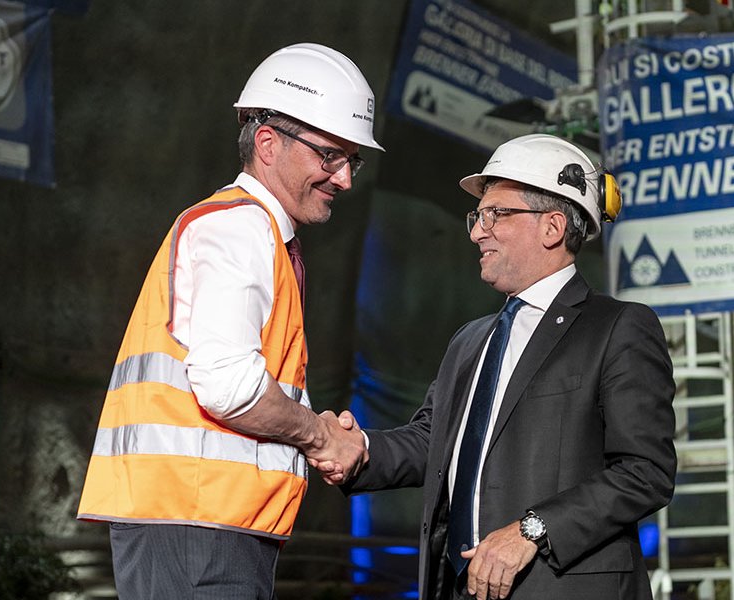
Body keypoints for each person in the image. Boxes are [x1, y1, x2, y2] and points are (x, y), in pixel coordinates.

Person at [76, 42, 377, 599]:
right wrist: (319, 436)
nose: (345, 179)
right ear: (268, 143)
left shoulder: (256, 233)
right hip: (197, 523)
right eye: (331, 156)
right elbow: (230, 386)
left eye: (351, 161)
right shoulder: (240, 228)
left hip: (202, 520)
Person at [337, 134, 677, 600]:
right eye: (478, 217)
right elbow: (432, 443)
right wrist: (358, 449)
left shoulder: (617, 328)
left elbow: (645, 471)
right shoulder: (469, 341)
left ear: (552, 227)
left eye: (496, 214)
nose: (477, 232)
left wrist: (532, 530)